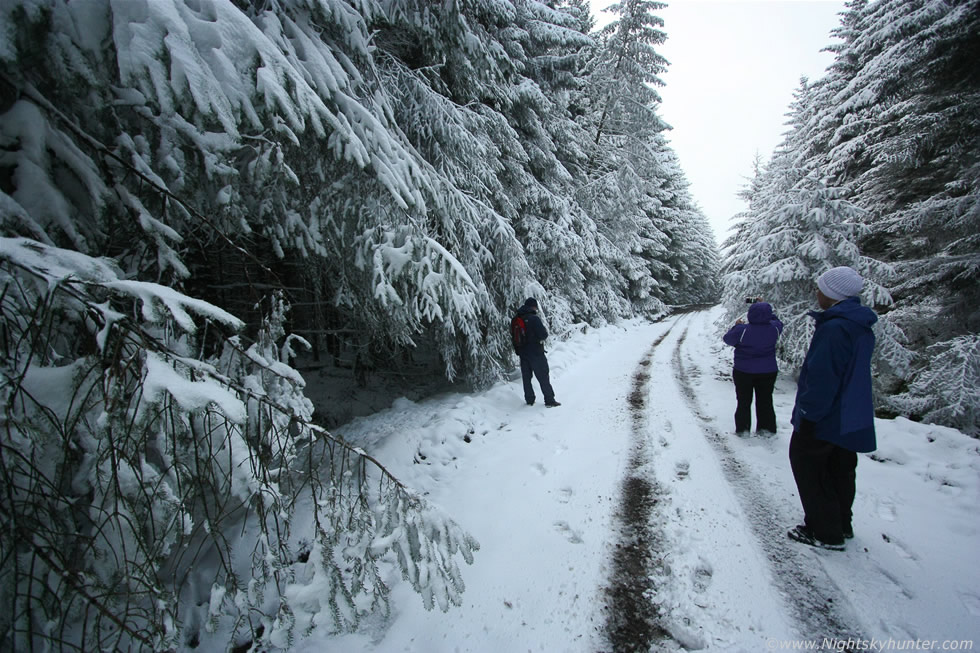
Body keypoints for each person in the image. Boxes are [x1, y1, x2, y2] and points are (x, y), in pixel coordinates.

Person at [788, 266, 878, 551]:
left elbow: (823, 376)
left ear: (833, 294)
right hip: (849, 413)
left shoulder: (835, 328)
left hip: (826, 414)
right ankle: (841, 523)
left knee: (810, 468)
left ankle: (825, 532)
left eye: (821, 288)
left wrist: (808, 414)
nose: (817, 293)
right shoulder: (857, 325)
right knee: (840, 468)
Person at [722, 299, 783, 435]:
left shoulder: (742, 330)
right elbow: (777, 321)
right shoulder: (775, 328)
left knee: (743, 401)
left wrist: (735, 327)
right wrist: (767, 312)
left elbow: (727, 339)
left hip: (744, 371)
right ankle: (766, 429)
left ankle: (743, 429)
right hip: (768, 371)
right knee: (766, 400)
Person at [514, 298, 560, 407]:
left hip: (523, 353)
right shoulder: (534, 319)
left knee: (526, 377)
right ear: (533, 307)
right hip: (536, 352)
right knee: (543, 376)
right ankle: (549, 400)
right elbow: (543, 335)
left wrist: (518, 351)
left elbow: (514, 337)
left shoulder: (516, 319)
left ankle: (529, 400)